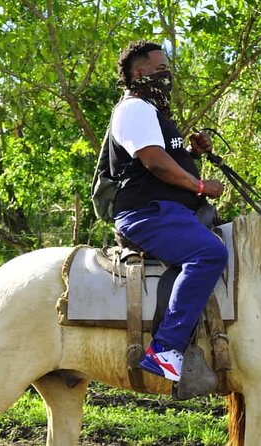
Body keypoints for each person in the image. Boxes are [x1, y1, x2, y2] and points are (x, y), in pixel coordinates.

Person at [107, 40, 228, 382]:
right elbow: (156, 164)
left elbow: (168, 159)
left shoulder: (153, 113)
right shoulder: (134, 109)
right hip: (148, 213)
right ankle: (165, 350)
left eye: (167, 70)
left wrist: (193, 153)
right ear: (138, 73)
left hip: (167, 210)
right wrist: (201, 186)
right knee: (209, 254)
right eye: (160, 70)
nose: (167, 77)